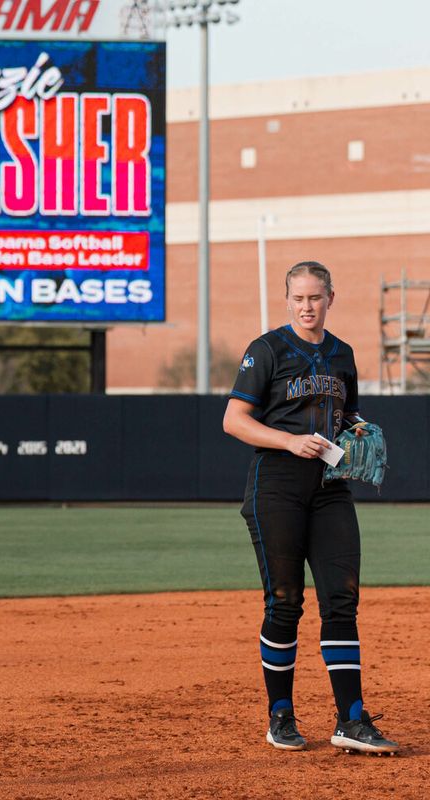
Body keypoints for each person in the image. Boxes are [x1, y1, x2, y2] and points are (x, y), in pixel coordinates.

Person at [223, 261, 398, 755]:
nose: (307, 306)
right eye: (298, 298)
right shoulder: (267, 350)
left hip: (331, 487)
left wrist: (358, 427)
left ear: (330, 298)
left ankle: (352, 719)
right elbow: (234, 420)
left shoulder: (342, 353)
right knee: (285, 600)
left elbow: (348, 412)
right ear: (288, 300)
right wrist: (287, 440)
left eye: (315, 298)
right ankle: (280, 714)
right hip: (276, 486)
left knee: (341, 599)